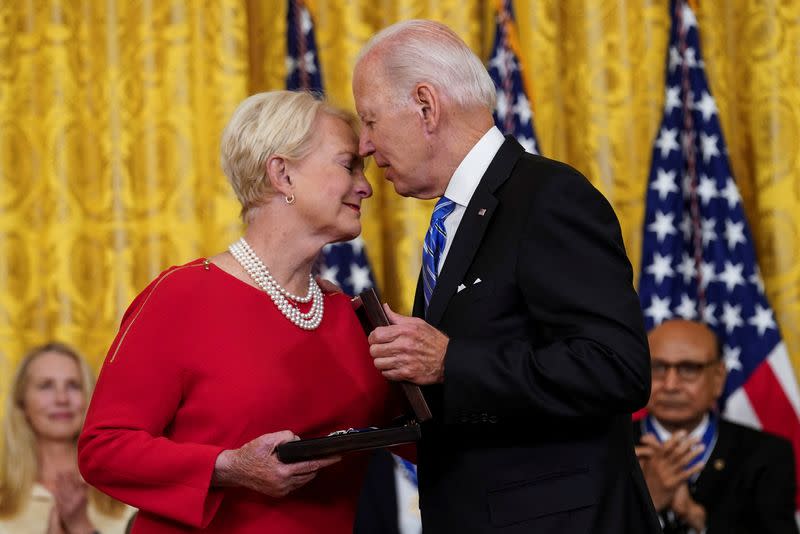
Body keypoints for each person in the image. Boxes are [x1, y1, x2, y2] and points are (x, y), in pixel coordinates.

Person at [352, 19, 661, 533]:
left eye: (370, 120)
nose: (364, 144)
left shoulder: (547, 197)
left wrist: (452, 360)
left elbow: (617, 368)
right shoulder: (454, 216)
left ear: (426, 106)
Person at [78, 90, 400, 533]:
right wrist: (227, 466)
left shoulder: (351, 317)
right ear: (282, 174)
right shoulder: (182, 297)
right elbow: (104, 450)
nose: (365, 186)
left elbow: (428, 437)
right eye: (348, 165)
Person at [635, 319, 798, 533]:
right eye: (657, 367)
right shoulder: (605, 447)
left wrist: (697, 520)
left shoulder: (767, 454)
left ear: (719, 377)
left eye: (688, 368)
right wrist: (650, 504)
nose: (670, 385)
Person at [0, 342, 134, 534]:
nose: (62, 399)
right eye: (46, 386)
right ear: (22, 403)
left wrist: (81, 526)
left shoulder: (126, 496)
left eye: (74, 386)